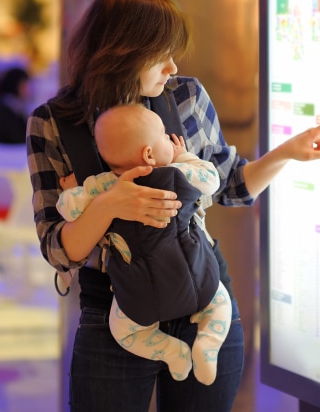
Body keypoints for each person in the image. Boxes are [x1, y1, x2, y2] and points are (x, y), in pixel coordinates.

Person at [26, 0, 320, 412]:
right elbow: (58, 250)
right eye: (161, 55)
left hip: (204, 295)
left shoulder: (186, 97)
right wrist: (109, 205)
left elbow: (231, 185)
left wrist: (288, 152)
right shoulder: (53, 124)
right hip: (115, 313)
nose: (173, 67)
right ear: (124, 54)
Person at [57, 103, 230, 386]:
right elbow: (211, 179)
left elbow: (68, 209)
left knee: (125, 332)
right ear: (149, 153)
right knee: (219, 303)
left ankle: (172, 352)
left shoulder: (103, 185)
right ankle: (208, 345)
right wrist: (183, 155)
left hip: (139, 295)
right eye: (163, 136)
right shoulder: (178, 173)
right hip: (197, 279)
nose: (169, 140)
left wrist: (69, 191)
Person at [0, 66, 30, 144]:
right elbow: (19, 137)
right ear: (15, 86)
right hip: (10, 152)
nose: (27, 89)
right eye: (23, 86)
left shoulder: (16, 106)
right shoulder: (8, 108)